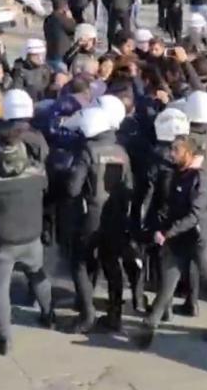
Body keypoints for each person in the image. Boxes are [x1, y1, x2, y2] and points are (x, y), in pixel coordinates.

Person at [138, 135, 207, 347]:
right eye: (171, 149)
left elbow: (195, 214)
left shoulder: (201, 178)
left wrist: (167, 233)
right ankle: (151, 323)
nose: (171, 154)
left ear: (189, 153)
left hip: (199, 237)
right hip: (178, 236)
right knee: (169, 280)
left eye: (176, 151)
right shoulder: (179, 173)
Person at [0, 130, 54, 355]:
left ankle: (4, 338)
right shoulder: (37, 173)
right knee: (37, 274)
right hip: (31, 236)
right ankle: (49, 315)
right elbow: (45, 190)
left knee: (0, 288)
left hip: (2, 242)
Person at [65, 107, 134, 333]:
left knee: (80, 263)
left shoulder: (88, 151)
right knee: (112, 263)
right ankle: (115, 314)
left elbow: (73, 188)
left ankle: (87, 314)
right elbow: (129, 186)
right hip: (115, 214)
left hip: (91, 214)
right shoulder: (121, 151)